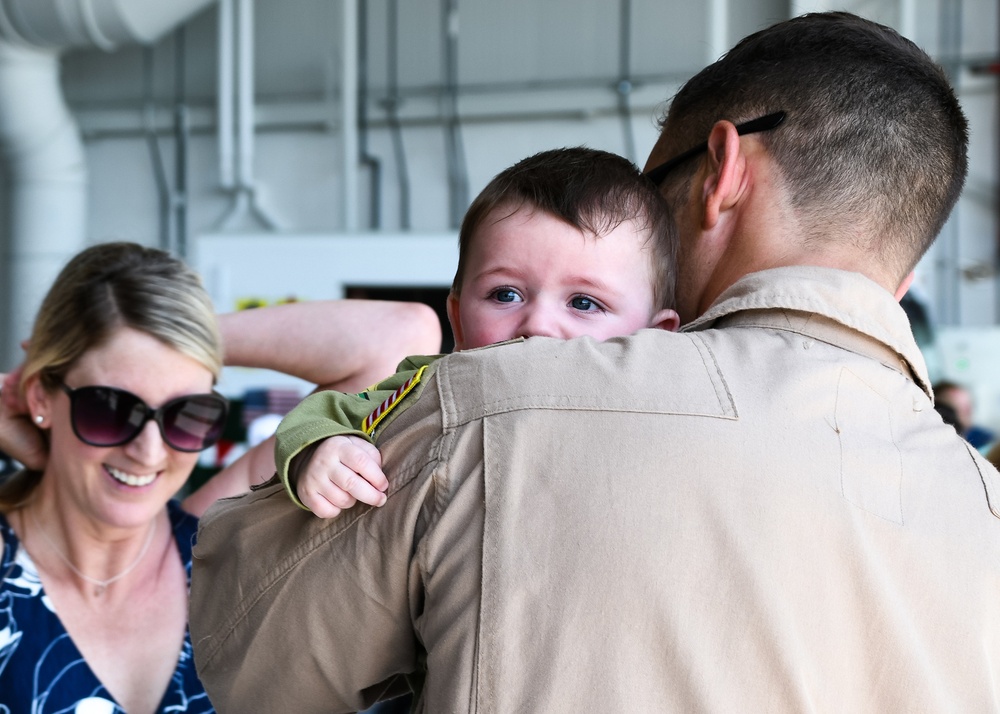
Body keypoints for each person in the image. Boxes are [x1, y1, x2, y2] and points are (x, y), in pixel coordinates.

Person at [189, 12, 1000, 712]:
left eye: (654, 198)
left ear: (721, 177)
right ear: (902, 274)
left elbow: (241, 654)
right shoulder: (986, 508)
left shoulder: (489, 408)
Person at [0, 242, 440, 713]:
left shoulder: (216, 547)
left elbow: (401, 335)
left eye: (186, 413)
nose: (149, 450)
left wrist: (165, 336)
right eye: (109, 408)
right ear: (41, 398)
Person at [284, 147, 679, 517]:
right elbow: (326, 413)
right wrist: (321, 450)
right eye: (505, 294)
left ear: (657, 338)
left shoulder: (671, 420)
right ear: (457, 320)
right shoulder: (426, 387)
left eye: (584, 303)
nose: (537, 325)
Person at [932, 379, 996, 450]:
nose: (969, 411)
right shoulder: (935, 439)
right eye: (962, 407)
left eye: (969, 404)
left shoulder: (984, 438)